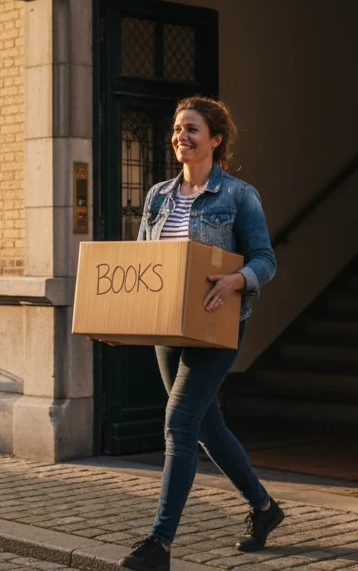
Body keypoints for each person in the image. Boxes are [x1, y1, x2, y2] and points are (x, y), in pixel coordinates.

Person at [119, 96, 282, 571]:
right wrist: (120, 321)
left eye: (192, 129)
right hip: (167, 327)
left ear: (215, 139)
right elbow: (143, 265)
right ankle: (265, 509)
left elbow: (265, 260)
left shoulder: (238, 195)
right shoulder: (157, 197)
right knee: (206, 426)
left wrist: (236, 280)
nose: (181, 137)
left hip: (217, 327)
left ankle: (159, 544)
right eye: (177, 128)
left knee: (179, 424)